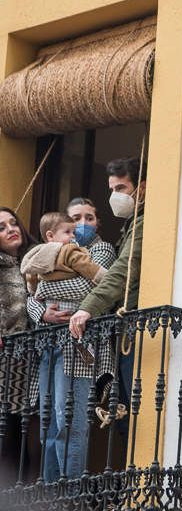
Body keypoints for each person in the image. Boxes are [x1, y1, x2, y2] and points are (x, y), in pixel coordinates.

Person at [25, 199, 116, 482]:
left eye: (89, 218)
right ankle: (52, 494)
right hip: (50, 345)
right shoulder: (43, 253)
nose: (81, 226)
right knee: (48, 426)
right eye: (75, 219)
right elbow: (29, 296)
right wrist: (41, 310)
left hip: (78, 347)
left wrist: (43, 290)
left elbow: (90, 285)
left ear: (98, 222)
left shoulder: (97, 250)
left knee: (69, 422)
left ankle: (70, 494)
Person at [68, 158, 145, 456]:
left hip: (134, 326)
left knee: (127, 408)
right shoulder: (133, 224)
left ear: (143, 187)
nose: (116, 195)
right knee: (122, 408)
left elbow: (123, 270)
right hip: (124, 328)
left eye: (122, 187)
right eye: (112, 188)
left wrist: (87, 307)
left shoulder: (143, 223)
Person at [0, 207, 38, 486]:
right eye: (1, 227)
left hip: (30, 362)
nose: (11, 229)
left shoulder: (34, 261)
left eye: (13, 223)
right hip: (5, 361)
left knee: (24, 432)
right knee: (6, 431)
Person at [21, 212, 108, 292]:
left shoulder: (38, 254)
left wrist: (34, 291)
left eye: (73, 232)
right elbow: (87, 266)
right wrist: (107, 278)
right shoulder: (68, 250)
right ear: (50, 236)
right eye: (67, 232)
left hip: (48, 301)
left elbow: (31, 277)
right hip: (70, 298)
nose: (73, 236)